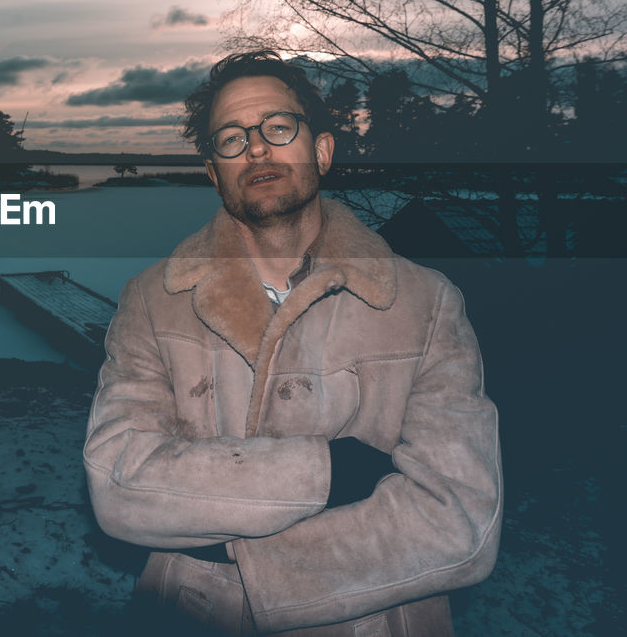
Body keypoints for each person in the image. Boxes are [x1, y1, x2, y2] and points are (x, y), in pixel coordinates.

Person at [84, 51, 502, 635]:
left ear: (322, 150)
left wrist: (233, 553)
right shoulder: (154, 301)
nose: (255, 148)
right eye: (230, 138)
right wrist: (332, 473)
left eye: (278, 127)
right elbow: (120, 487)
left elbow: (460, 520)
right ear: (214, 172)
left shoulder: (425, 303)